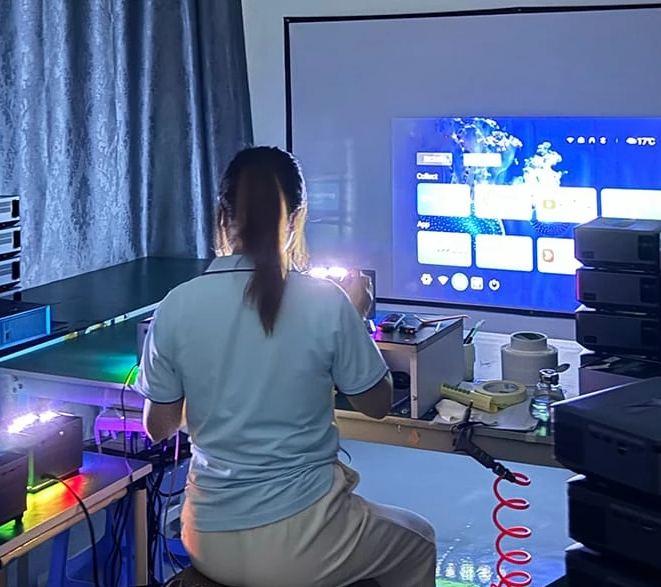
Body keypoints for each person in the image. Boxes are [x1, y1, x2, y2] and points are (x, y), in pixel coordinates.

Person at [135, 146, 437, 587]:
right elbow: (376, 404)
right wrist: (356, 318)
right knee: (420, 541)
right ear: (296, 219)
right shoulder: (326, 302)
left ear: (222, 217)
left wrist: (214, 392)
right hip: (302, 542)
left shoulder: (177, 305)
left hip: (206, 538)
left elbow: (157, 427)